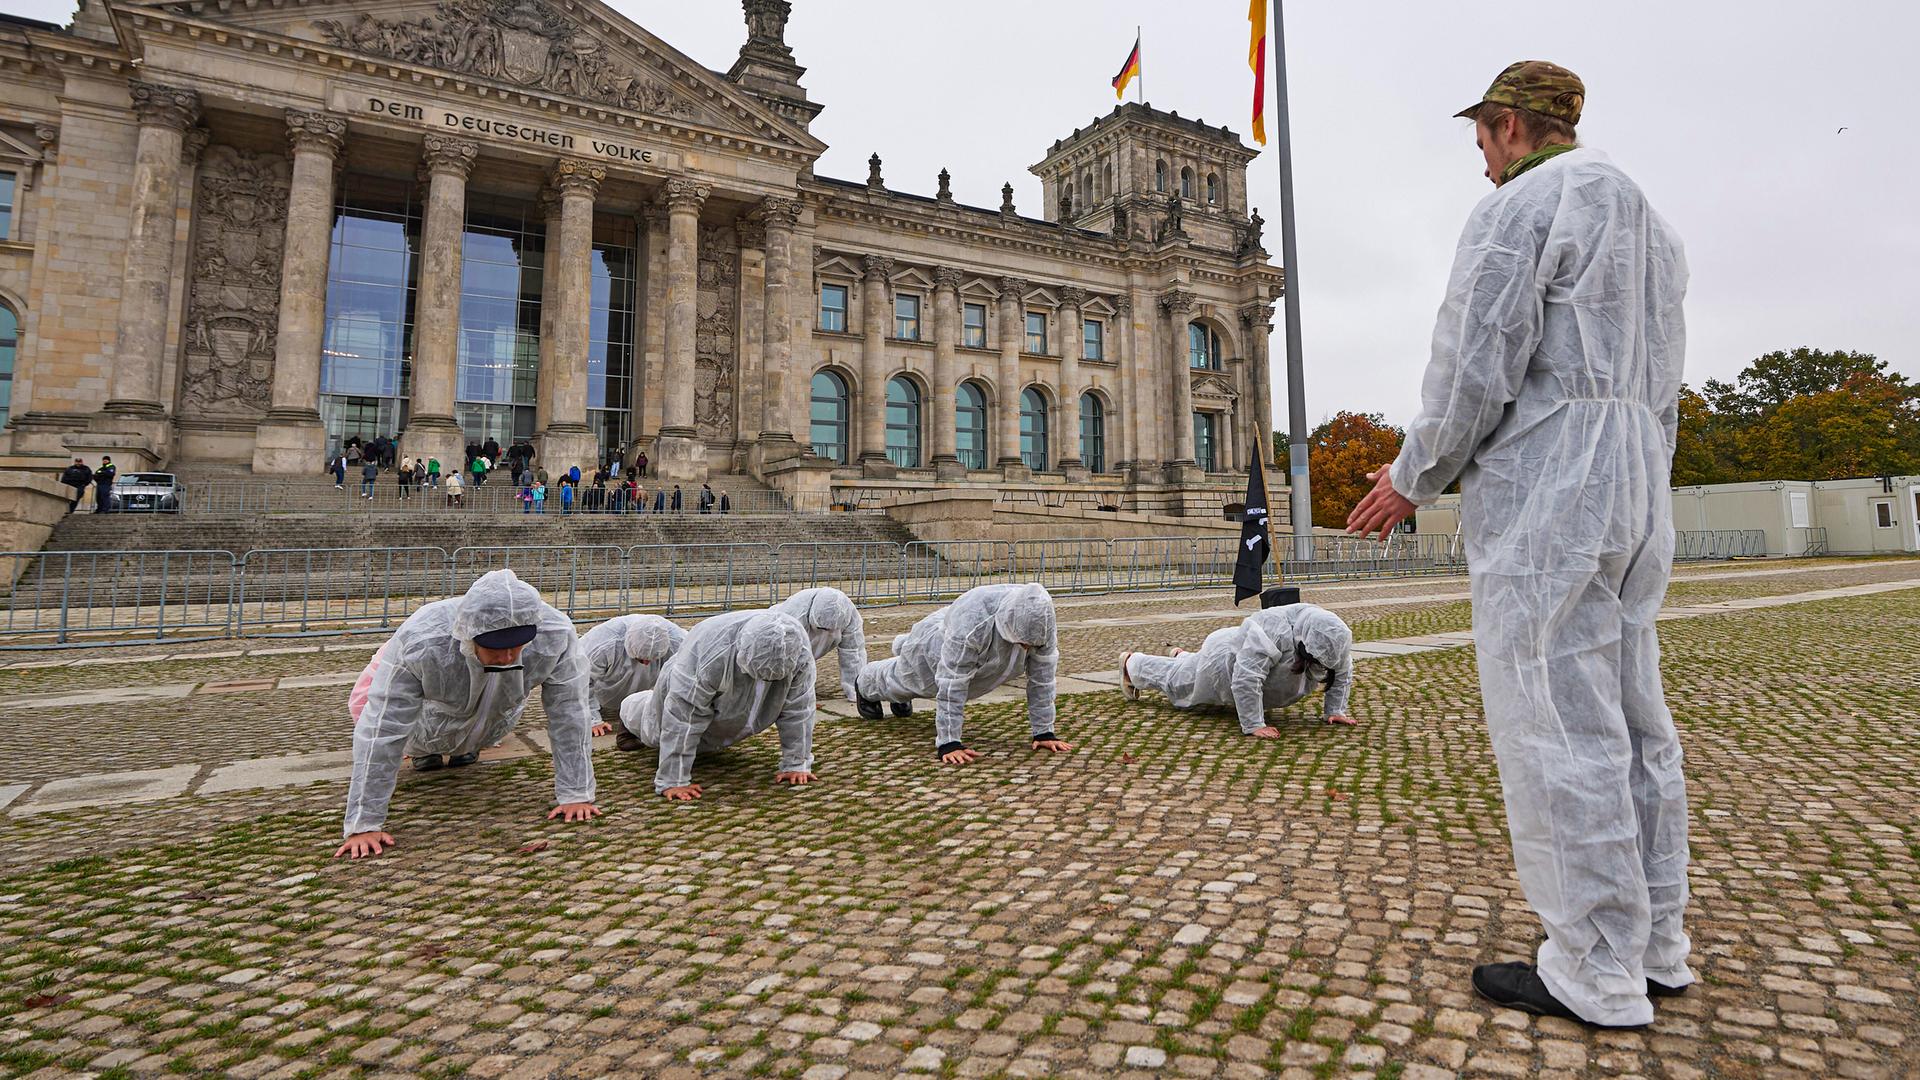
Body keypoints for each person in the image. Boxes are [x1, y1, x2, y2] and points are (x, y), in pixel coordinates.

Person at [1344, 61, 1690, 1030]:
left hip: (1552, 486)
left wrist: (1412, 474)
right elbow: (1663, 370)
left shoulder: (1523, 206)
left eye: (1483, 140)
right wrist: (1642, 471)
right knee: (1633, 722)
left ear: (1507, 125)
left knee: (1557, 727)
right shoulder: (1649, 223)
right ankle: (1657, 942)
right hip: (1634, 475)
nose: (1483, 162)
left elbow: (1476, 359)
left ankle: (1594, 967)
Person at [335, 568, 600, 859]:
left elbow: (570, 712)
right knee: (426, 735)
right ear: (469, 633)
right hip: (429, 720)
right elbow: (384, 726)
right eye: (496, 646)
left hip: (494, 719)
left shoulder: (556, 634)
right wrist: (364, 823)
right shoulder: (424, 640)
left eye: (517, 644)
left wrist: (576, 794)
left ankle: (469, 747)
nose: (508, 656)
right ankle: (427, 752)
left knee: (482, 726)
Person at [854, 582, 1073, 764]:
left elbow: (1042, 679)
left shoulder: (1040, 619)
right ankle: (864, 684)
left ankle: (899, 696)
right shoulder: (973, 623)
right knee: (904, 680)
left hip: (980, 658)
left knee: (908, 687)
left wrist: (1044, 732)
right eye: (1023, 643)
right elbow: (952, 682)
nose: (1026, 648)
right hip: (932, 650)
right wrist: (949, 743)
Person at [617, 610, 818, 799]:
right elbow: (684, 715)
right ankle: (628, 712)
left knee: (708, 740)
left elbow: (799, 706)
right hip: (682, 682)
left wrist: (797, 764)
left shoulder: (794, 647)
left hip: (730, 707)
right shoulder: (710, 651)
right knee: (654, 731)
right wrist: (673, 780)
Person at [1120, 603, 1355, 735]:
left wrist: (1335, 710)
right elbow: (1246, 678)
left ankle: (1182, 656)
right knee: (1178, 683)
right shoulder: (1272, 632)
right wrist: (1254, 724)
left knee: (1188, 668)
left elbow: (1342, 671)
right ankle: (1132, 664)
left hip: (1229, 655)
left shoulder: (1333, 640)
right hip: (1221, 665)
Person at [580, 613, 687, 740]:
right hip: (604, 690)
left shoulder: (679, 641)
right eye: (640, 659)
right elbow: (581, 680)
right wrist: (591, 720)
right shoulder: (602, 644)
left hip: (644, 689)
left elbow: (687, 675)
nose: (646, 663)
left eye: (654, 658)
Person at [771, 587, 868, 704]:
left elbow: (854, 652)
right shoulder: (793, 612)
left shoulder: (849, 615)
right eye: (823, 628)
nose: (826, 631)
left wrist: (857, 691)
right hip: (778, 629)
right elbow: (783, 651)